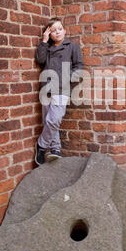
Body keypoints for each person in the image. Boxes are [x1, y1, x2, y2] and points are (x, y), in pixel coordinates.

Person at [35, 17, 83, 165]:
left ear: (65, 30)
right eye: (53, 30)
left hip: (62, 89)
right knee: (48, 121)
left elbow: (79, 67)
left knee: (54, 120)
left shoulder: (72, 47)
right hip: (46, 89)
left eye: (60, 29)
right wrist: (43, 41)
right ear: (49, 34)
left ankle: (41, 146)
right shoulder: (47, 48)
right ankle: (55, 149)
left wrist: (66, 78)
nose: (57, 32)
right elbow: (40, 60)